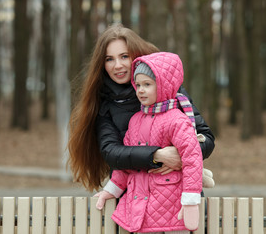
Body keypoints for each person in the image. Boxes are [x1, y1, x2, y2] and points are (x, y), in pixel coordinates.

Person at [67, 23, 214, 194]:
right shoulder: (104, 102)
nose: (117, 65)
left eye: (124, 56)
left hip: (176, 196)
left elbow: (206, 138)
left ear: (136, 55)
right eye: (109, 59)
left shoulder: (168, 90)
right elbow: (112, 152)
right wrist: (156, 156)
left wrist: (181, 155)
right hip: (131, 199)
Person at [99, 52, 202, 234]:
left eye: (147, 84)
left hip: (174, 205)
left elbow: (192, 159)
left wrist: (190, 200)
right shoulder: (135, 121)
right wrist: (112, 189)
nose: (140, 90)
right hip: (142, 207)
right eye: (137, 85)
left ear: (163, 85)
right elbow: (127, 164)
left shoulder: (177, 120)